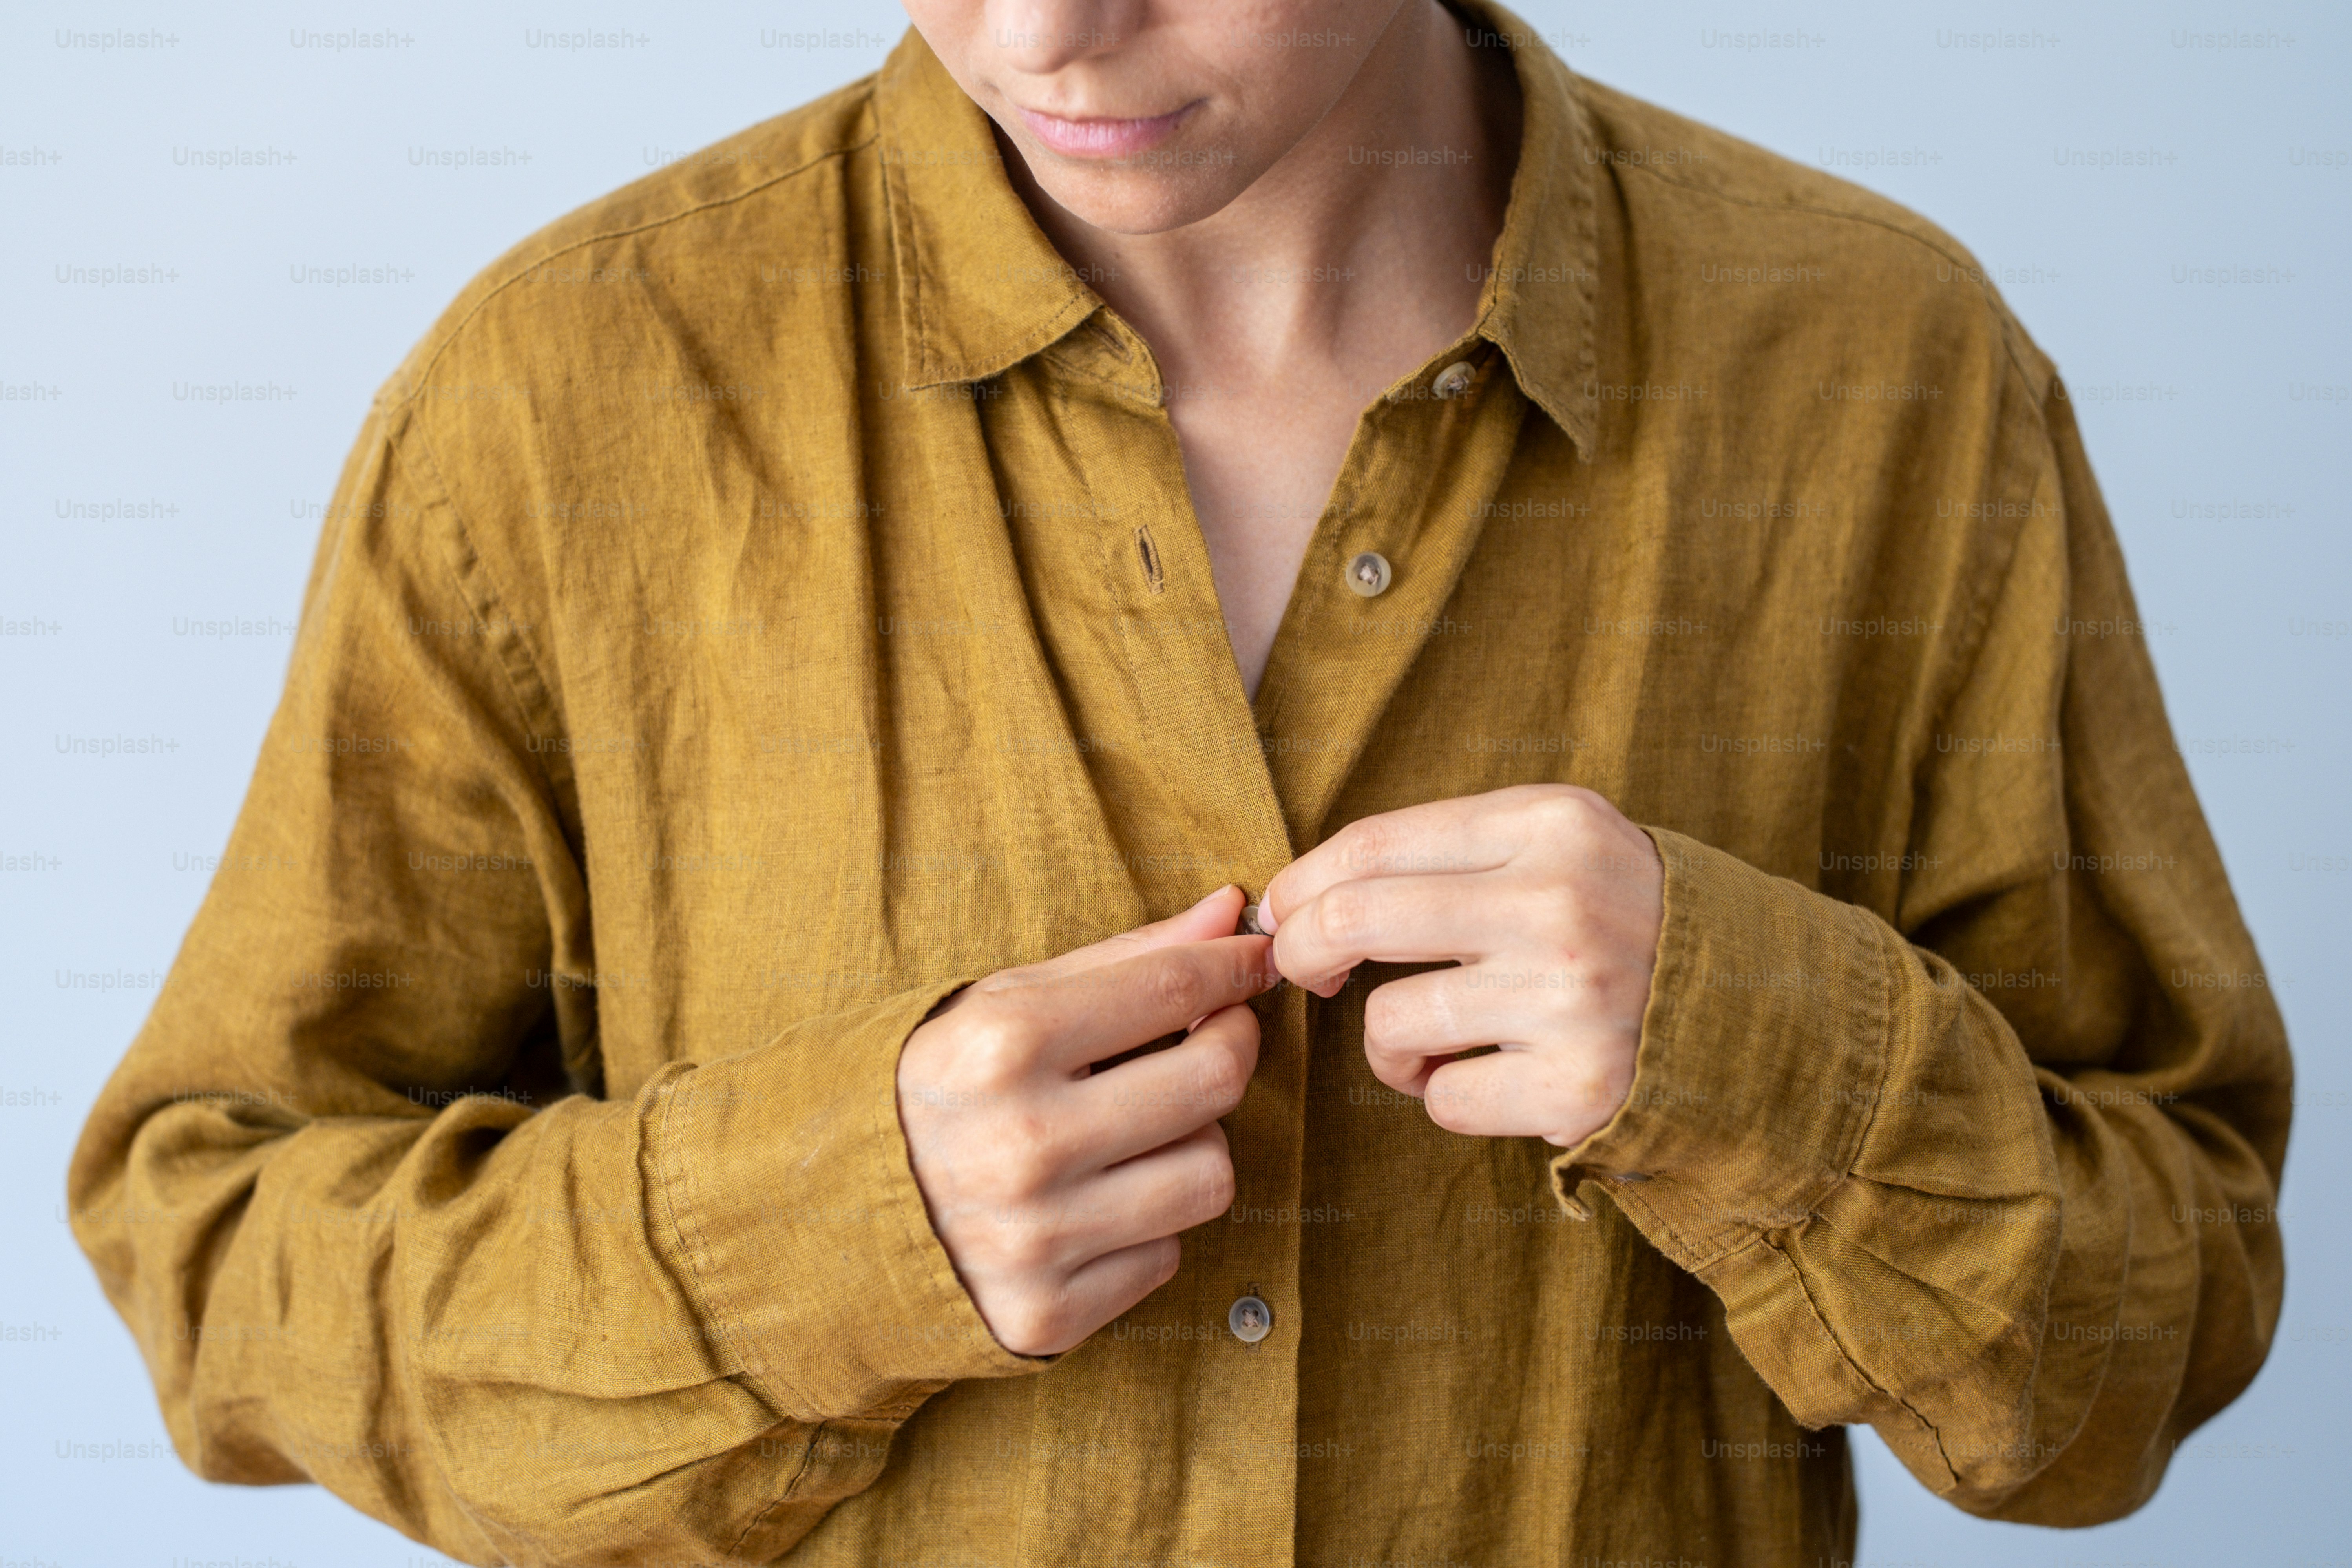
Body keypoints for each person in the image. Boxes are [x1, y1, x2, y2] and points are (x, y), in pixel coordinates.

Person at [69, 0, 2290, 1564]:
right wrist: (818, 1234)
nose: (1046, 35)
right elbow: (221, 1260)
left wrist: (1748, 1055)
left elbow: (2144, 1349)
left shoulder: (1885, 373)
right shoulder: (565, 398)